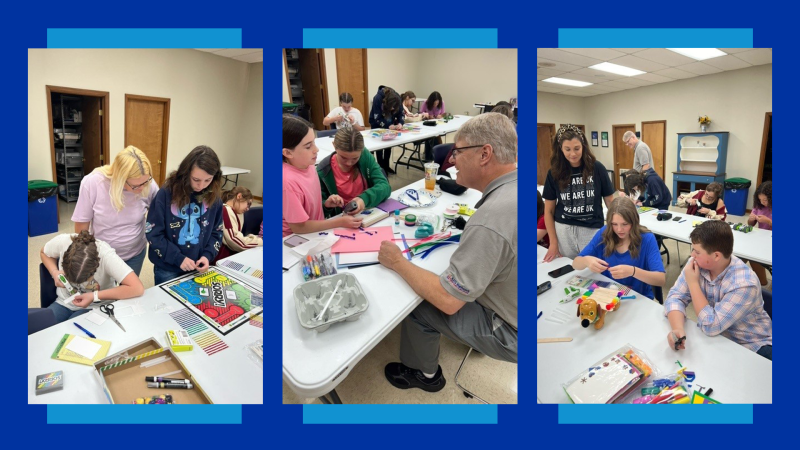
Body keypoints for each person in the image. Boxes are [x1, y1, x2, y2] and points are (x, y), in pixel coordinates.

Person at [378, 112, 517, 393]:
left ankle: (425, 375)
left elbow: (448, 300)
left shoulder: (492, 218)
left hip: (512, 331)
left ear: (485, 154)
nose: (451, 160)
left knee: (421, 305)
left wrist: (396, 261)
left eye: (458, 151)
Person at [664, 220, 772, 360]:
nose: (692, 256)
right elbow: (675, 297)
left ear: (716, 256)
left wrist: (693, 283)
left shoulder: (744, 283)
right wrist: (677, 328)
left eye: (697, 252)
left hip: (752, 342)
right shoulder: (697, 264)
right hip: (719, 338)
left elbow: (711, 326)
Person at [72, 146, 158, 276]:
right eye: (135, 186)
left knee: (128, 294)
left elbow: (159, 215)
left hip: (135, 254)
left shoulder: (147, 183)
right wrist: (85, 255)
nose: (141, 188)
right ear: (120, 178)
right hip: (101, 255)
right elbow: (81, 226)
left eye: (145, 182)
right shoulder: (93, 182)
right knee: (103, 294)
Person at [146, 146, 224, 285]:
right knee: (167, 304)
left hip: (198, 266)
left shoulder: (214, 197)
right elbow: (153, 232)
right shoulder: (166, 193)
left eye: (208, 180)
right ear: (186, 172)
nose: (201, 186)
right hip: (167, 267)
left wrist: (207, 256)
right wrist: (177, 258)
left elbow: (217, 232)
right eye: (196, 179)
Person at [542, 124, 616, 261]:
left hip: (591, 229)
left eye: (577, 148)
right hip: (564, 230)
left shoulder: (597, 168)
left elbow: (610, 202)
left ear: (583, 146)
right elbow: (549, 211)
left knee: (594, 268)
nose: (573, 154)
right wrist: (553, 242)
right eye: (567, 149)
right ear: (560, 149)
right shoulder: (553, 172)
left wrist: (615, 228)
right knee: (569, 269)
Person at [282, 114, 362, 236]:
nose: (316, 149)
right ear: (287, 153)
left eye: (313, 142)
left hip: (313, 233)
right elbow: (299, 227)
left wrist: (325, 204)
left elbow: (307, 205)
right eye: (308, 146)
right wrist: (339, 222)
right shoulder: (286, 182)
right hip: (290, 241)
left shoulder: (308, 165)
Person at [40, 231, 145, 324]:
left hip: (95, 306)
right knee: (41, 328)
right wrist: (54, 272)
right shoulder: (63, 241)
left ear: (95, 268)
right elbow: (44, 253)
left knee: (72, 334)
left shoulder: (106, 256)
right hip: (64, 302)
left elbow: (137, 288)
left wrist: (94, 296)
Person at [573, 197, 666, 300]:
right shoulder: (605, 232)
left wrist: (633, 271)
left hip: (637, 298)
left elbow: (660, 279)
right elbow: (576, 263)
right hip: (608, 295)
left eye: (625, 224)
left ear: (634, 222)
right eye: (614, 224)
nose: (619, 229)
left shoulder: (647, 238)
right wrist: (586, 260)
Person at [317, 127, 391, 217]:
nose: (349, 163)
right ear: (334, 146)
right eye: (343, 157)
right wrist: (327, 205)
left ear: (361, 150)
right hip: (340, 220)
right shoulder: (323, 171)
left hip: (366, 213)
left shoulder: (365, 156)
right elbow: (318, 210)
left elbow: (385, 186)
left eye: (355, 158)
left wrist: (363, 199)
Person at [214, 186, 263, 263]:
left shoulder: (234, 211)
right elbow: (235, 241)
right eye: (248, 204)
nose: (248, 209)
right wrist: (261, 241)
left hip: (227, 255)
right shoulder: (225, 210)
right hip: (221, 258)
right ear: (239, 196)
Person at [368, 86, 404, 174]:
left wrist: (400, 123)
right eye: (391, 108)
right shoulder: (378, 98)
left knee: (389, 145)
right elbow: (377, 118)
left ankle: (386, 166)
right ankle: (381, 168)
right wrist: (388, 125)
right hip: (377, 123)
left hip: (390, 123)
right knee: (379, 147)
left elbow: (401, 114)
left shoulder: (397, 99)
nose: (392, 109)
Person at [747, 181, 772, 286]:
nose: (762, 203)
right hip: (762, 238)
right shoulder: (759, 206)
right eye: (760, 200)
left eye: (765, 200)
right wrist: (751, 219)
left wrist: (769, 222)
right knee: (749, 253)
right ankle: (762, 281)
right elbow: (750, 225)